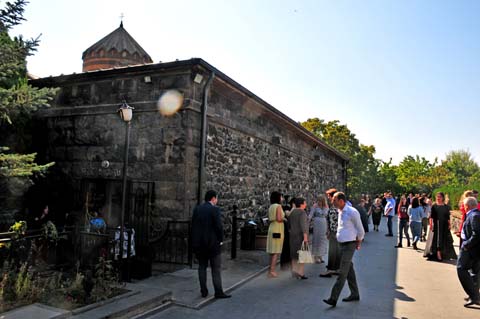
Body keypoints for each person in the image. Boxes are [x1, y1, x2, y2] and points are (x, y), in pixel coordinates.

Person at [323, 192, 365, 307]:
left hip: (349, 245)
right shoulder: (340, 211)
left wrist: (359, 241)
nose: (332, 202)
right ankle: (355, 294)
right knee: (349, 269)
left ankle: (333, 298)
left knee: (342, 272)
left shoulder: (352, 212)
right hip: (341, 244)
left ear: (341, 201)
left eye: (334, 200)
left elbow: (361, 229)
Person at [191, 190, 230, 299]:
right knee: (216, 268)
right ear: (213, 198)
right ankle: (218, 291)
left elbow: (193, 226)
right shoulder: (215, 209)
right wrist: (221, 239)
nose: (217, 200)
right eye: (216, 198)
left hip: (199, 244)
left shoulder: (197, 209)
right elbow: (218, 227)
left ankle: (203, 291)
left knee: (202, 267)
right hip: (212, 244)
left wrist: (194, 243)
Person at [456, 197, 480, 307]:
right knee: (474, 272)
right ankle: (474, 296)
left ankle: (474, 295)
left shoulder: (474, 216)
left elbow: (477, 234)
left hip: (470, 249)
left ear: (467, 206)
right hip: (473, 249)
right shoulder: (473, 214)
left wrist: (466, 244)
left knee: (461, 269)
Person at [425, 192, 457, 262]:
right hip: (437, 225)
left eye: (439, 197)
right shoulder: (434, 206)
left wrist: (449, 224)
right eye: (437, 197)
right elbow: (431, 217)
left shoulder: (447, 207)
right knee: (437, 240)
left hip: (444, 225)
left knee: (444, 240)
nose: (438, 198)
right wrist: (431, 224)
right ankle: (438, 254)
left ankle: (443, 253)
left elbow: (448, 218)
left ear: (443, 198)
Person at [320, 188, 341, 277]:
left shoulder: (335, 206)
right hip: (335, 231)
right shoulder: (336, 206)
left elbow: (334, 220)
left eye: (329, 196)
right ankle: (336, 268)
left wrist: (330, 231)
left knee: (332, 251)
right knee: (336, 250)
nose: (328, 198)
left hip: (335, 231)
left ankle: (331, 269)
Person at [266, 191, 285, 278]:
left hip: (272, 227)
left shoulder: (271, 206)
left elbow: (270, 219)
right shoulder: (278, 206)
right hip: (277, 228)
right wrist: (284, 218)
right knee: (276, 251)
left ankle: (270, 269)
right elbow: (279, 218)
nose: (282, 198)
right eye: (281, 197)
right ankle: (272, 271)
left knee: (272, 251)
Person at [289, 197, 309, 279]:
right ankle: (301, 273)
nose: (306, 204)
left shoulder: (292, 212)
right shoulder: (302, 213)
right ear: (301, 204)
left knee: (294, 255)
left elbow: (289, 224)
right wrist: (305, 238)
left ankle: (294, 271)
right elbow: (303, 226)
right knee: (302, 255)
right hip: (300, 236)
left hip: (293, 235)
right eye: (305, 203)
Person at [308, 195, 329, 263]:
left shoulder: (326, 206)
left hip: (324, 223)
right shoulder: (315, 206)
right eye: (318, 200)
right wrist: (307, 221)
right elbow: (310, 215)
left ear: (323, 201)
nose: (319, 202)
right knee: (316, 239)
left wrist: (328, 227)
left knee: (323, 239)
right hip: (317, 223)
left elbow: (328, 216)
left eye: (320, 201)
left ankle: (321, 255)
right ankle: (316, 256)